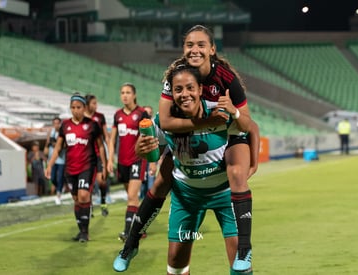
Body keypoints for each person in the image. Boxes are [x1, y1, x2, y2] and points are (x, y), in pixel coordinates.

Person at [115, 24, 260, 273]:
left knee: (239, 268)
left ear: (202, 90)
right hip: (187, 196)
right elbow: (152, 146)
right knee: (175, 262)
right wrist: (144, 147)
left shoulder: (222, 107)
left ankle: (245, 250)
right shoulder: (168, 117)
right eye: (178, 90)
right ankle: (131, 244)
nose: (184, 95)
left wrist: (253, 162)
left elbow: (251, 126)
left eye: (190, 89)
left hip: (224, 194)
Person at [45, 93, 107, 242]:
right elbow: (58, 147)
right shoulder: (65, 126)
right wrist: (49, 165)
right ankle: (81, 231)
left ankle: (85, 233)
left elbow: (100, 146)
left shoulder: (92, 125)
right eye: (73, 107)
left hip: (87, 166)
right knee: (76, 200)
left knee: (84, 196)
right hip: (70, 168)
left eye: (78, 107)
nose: (75, 110)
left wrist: (104, 164)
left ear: (84, 108)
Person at [107, 83, 150, 241]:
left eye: (128, 92)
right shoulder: (117, 115)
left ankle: (128, 233)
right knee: (132, 198)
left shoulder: (142, 113)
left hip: (137, 160)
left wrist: (152, 161)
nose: (125, 95)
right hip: (122, 162)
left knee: (132, 196)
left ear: (134, 95)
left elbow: (149, 137)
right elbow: (112, 140)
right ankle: (141, 227)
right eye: (122, 92)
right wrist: (110, 159)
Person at [85, 94, 111, 216]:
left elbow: (106, 135)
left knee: (101, 181)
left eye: (96, 103)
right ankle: (89, 207)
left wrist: (110, 154)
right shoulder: (82, 118)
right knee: (88, 182)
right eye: (93, 103)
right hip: (86, 156)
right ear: (87, 104)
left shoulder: (100, 117)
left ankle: (103, 202)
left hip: (99, 153)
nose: (96, 106)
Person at [43, 117, 66, 205]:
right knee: (52, 178)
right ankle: (60, 188)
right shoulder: (51, 132)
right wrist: (46, 148)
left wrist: (56, 144)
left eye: (58, 123)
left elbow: (64, 145)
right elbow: (48, 143)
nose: (56, 125)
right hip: (52, 159)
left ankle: (58, 195)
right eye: (55, 123)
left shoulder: (63, 132)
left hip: (61, 159)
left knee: (59, 177)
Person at [140, 105, 158, 200]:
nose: (148, 115)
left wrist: (153, 161)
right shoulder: (139, 127)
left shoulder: (154, 126)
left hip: (151, 157)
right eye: (146, 112)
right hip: (140, 159)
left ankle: (150, 201)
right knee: (142, 182)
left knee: (151, 181)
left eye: (150, 113)